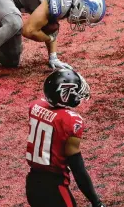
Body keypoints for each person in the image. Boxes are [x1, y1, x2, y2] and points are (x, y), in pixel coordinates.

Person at [25, 69, 105, 207]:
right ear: (65, 94)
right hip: (54, 187)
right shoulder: (70, 121)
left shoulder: (36, 106)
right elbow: (78, 169)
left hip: (32, 183)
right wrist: (96, 202)